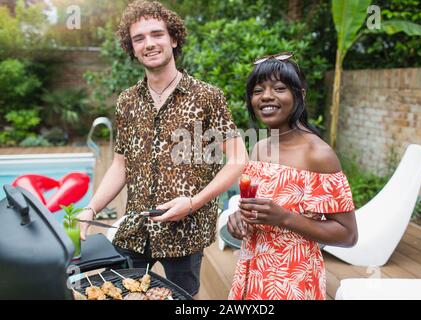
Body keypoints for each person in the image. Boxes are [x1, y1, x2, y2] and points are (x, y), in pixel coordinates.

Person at [77, 0, 247, 298]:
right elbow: (120, 166)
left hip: (186, 231)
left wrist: (193, 203)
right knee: (120, 292)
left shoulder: (208, 96)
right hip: (136, 226)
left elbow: (237, 160)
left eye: (157, 34)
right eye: (139, 38)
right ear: (131, 48)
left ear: (174, 38)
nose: (149, 43)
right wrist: (91, 208)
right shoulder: (127, 101)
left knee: (183, 298)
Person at [227, 52, 358, 300]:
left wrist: (285, 218)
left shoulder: (318, 154)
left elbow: (348, 235)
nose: (266, 96)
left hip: (292, 280)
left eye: (279, 88)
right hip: (251, 271)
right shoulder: (259, 148)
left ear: (300, 95)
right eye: (257, 90)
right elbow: (256, 209)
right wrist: (239, 219)